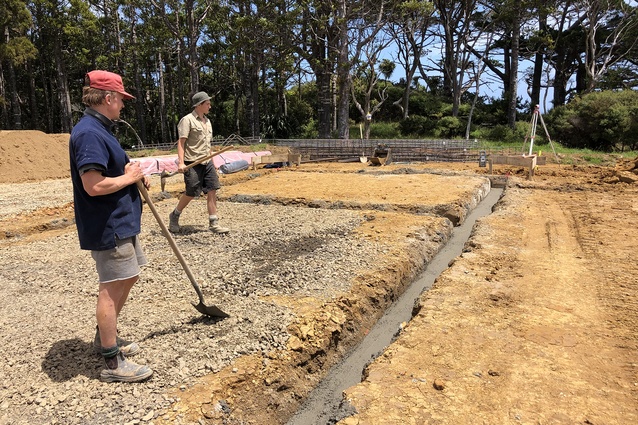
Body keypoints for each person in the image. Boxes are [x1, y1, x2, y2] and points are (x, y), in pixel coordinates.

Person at [69, 70, 153, 383]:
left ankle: (105, 335)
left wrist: (133, 173)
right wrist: (128, 178)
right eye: (121, 100)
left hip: (121, 220)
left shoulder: (101, 128)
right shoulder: (89, 132)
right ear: (108, 98)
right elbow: (93, 185)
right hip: (109, 224)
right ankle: (112, 362)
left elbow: (113, 169)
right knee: (112, 285)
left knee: (128, 276)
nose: (123, 106)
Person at [168, 91, 230, 234]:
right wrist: (181, 163)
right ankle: (175, 215)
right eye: (207, 103)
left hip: (206, 161)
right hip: (192, 162)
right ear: (199, 105)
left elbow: (208, 146)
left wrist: (213, 163)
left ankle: (214, 222)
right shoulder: (187, 120)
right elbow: (181, 143)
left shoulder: (207, 122)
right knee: (191, 192)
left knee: (212, 189)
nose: (210, 106)